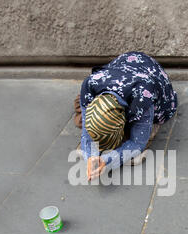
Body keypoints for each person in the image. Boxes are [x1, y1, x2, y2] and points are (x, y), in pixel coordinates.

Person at [74, 51, 178, 180]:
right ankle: (110, 136)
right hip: (124, 70)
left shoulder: (142, 98)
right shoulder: (89, 84)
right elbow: (86, 133)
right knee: (82, 115)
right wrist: (90, 155)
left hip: (151, 87)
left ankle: (127, 134)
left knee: (142, 134)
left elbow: (137, 142)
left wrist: (107, 161)